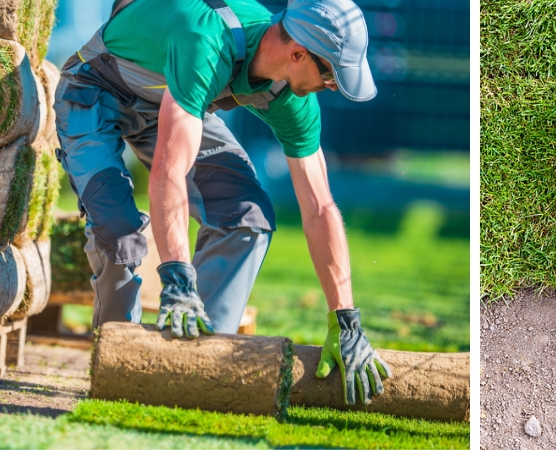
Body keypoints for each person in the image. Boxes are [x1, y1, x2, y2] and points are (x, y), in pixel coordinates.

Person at [53, 0, 390, 405]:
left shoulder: (293, 97)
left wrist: (346, 319)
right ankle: (118, 371)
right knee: (119, 235)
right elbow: (168, 173)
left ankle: (190, 367)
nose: (332, 86)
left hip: (172, 100)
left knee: (246, 217)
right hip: (94, 88)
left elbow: (320, 208)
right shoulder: (206, 41)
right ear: (298, 53)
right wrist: (177, 278)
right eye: (331, 75)